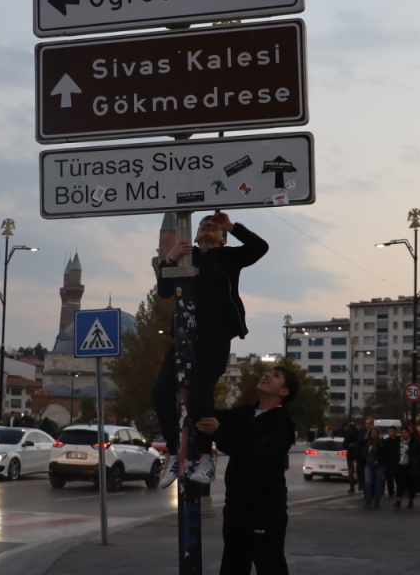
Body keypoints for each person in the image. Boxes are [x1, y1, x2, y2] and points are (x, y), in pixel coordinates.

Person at [153, 212, 269, 488]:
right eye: (203, 224)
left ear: (222, 237)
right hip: (183, 338)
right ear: (193, 236)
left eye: (214, 226)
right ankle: (173, 454)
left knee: (199, 400)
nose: (208, 226)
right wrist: (168, 260)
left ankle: (205, 457)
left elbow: (260, 248)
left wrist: (231, 225)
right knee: (160, 394)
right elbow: (164, 292)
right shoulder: (186, 257)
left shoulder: (228, 258)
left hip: (215, 340)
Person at [194, 364, 297, 575]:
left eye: (275, 376)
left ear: (283, 392)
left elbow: (254, 453)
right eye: (268, 372)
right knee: (233, 564)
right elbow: (216, 416)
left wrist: (219, 432)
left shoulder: (280, 423)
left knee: (269, 564)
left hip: (265, 509)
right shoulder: (248, 413)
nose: (267, 375)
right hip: (236, 506)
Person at [393, 427, 420, 510]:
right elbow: (393, 454)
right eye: (402, 433)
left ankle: (411, 500)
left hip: (411, 466)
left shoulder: (415, 442)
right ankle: (398, 500)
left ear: (409, 433)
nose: (404, 434)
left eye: (406, 432)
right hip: (400, 465)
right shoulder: (397, 442)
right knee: (399, 484)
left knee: (411, 484)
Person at [359, 427, 386, 508]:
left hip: (379, 465)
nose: (374, 434)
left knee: (378, 483)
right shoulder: (367, 442)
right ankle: (368, 500)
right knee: (368, 482)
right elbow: (363, 453)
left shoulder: (381, 442)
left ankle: (377, 500)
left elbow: (385, 453)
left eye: (375, 432)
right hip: (369, 464)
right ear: (370, 434)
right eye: (372, 432)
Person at [382, 426, 399, 498]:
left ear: (395, 432)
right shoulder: (387, 441)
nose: (390, 433)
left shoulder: (399, 440)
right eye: (389, 431)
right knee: (389, 478)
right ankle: (391, 491)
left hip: (397, 461)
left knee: (398, 478)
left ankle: (399, 491)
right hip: (389, 461)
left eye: (391, 431)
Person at [343, 422, 360, 494]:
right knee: (352, 470)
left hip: (355, 454)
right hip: (351, 454)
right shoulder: (349, 434)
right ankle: (352, 485)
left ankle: (355, 484)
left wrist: (354, 445)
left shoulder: (357, 434)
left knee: (354, 470)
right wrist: (349, 445)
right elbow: (344, 444)